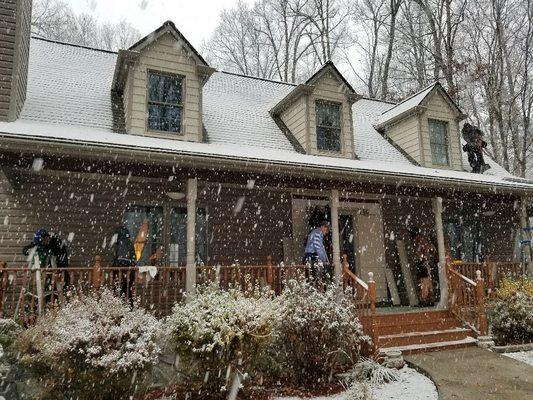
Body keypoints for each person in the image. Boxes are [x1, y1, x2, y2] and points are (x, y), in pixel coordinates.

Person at [409, 227, 437, 306]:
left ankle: (424, 300)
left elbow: (428, 250)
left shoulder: (420, 241)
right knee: (427, 282)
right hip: (424, 263)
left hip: (423, 264)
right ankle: (430, 300)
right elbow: (432, 250)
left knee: (424, 283)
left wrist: (423, 257)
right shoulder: (422, 241)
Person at [303, 221, 331, 285]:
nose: (327, 231)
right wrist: (324, 260)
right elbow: (318, 247)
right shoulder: (317, 233)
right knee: (312, 276)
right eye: (326, 228)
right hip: (310, 256)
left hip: (311, 256)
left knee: (312, 277)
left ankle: (315, 287)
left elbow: (321, 247)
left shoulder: (318, 233)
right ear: (322, 227)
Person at [112, 225, 137, 299]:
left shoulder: (118, 244)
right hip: (128, 272)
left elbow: (115, 257)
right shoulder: (129, 243)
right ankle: (128, 305)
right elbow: (134, 257)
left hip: (120, 271)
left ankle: (122, 303)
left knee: (119, 288)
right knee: (127, 289)